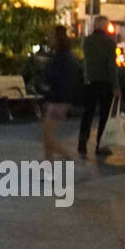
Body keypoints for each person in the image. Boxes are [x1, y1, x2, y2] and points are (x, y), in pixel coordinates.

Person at [77, 15, 120, 157]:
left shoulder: (87, 41)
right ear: (104, 26)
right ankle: (100, 145)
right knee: (104, 114)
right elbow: (111, 66)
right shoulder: (109, 42)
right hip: (104, 82)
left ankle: (82, 142)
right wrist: (115, 86)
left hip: (89, 81)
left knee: (88, 112)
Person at [41, 25, 81, 163]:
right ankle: (49, 169)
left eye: (50, 35)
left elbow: (59, 78)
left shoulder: (62, 57)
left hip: (58, 100)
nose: (48, 38)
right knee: (47, 137)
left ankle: (68, 155)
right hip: (58, 98)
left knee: (47, 137)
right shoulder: (64, 55)